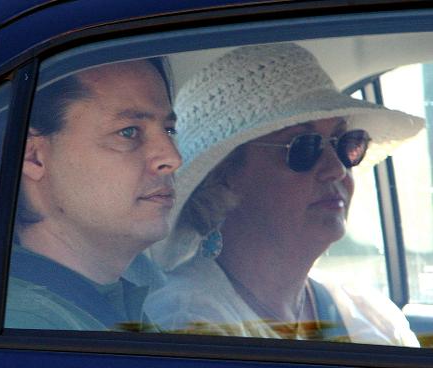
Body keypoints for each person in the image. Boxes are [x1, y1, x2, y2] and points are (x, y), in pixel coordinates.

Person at [145, 43, 422, 345]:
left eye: (346, 143)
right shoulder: (184, 321)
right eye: (304, 147)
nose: (337, 169)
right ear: (224, 176)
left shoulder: (370, 314)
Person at [0, 58, 182, 330]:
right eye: (128, 132)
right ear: (33, 156)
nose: (172, 157)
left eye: (169, 130)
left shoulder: (95, 306)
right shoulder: (18, 327)